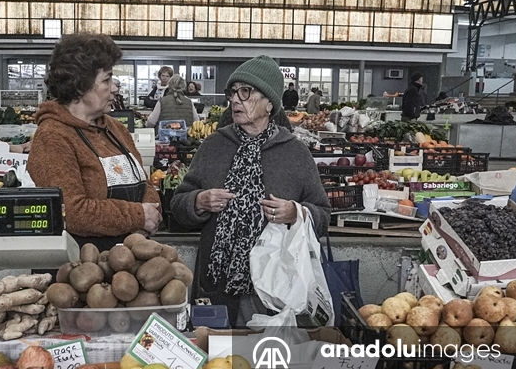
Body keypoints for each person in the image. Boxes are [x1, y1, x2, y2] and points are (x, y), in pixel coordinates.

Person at [170, 55, 331, 327]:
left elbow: (323, 215)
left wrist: (296, 213)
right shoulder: (214, 146)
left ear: (270, 103)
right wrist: (198, 202)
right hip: (217, 285)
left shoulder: (294, 153)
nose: (235, 100)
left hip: (273, 290)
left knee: (264, 364)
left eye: (246, 92)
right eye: (233, 92)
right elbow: (177, 206)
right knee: (218, 364)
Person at [27, 33, 161, 251]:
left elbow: (144, 183)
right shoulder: (53, 137)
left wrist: (149, 217)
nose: (115, 88)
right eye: (107, 79)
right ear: (81, 86)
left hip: (131, 258)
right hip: (82, 268)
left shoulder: (114, 128)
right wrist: (138, 216)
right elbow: (71, 211)